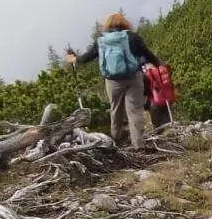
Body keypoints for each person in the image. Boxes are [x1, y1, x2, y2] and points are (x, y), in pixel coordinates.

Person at [65, 13, 161, 150]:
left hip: (113, 81)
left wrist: (73, 59)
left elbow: (87, 57)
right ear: (125, 24)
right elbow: (147, 54)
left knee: (116, 110)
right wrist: (159, 65)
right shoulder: (132, 37)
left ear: (108, 26)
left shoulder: (102, 41)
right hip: (133, 78)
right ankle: (138, 145)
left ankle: (115, 142)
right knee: (135, 111)